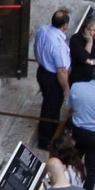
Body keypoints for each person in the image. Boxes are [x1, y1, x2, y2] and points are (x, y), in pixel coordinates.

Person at [35, 10, 73, 151]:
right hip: (52, 77)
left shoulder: (43, 30)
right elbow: (61, 71)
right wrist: (66, 89)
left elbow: (36, 47)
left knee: (49, 104)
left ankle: (49, 135)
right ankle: (46, 140)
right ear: (65, 25)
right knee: (51, 108)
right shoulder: (58, 45)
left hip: (42, 70)